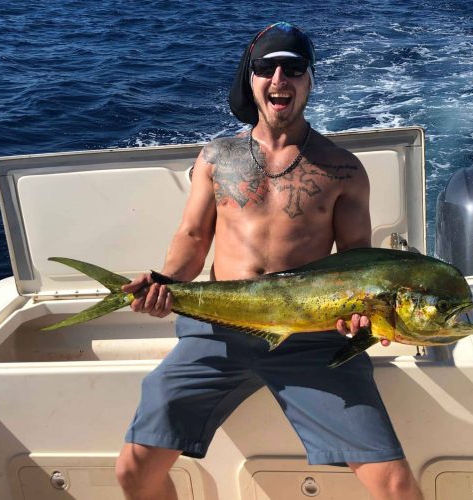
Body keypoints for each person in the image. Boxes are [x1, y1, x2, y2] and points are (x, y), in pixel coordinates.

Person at [115, 22, 423, 500]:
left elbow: (358, 265)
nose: (280, 77)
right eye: (266, 67)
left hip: (310, 337)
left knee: (396, 486)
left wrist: (366, 321)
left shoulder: (344, 169)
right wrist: (166, 282)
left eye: (294, 68)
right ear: (251, 79)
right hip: (216, 331)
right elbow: (193, 237)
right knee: (134, 471)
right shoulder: (217, 156)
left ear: (309, 80)